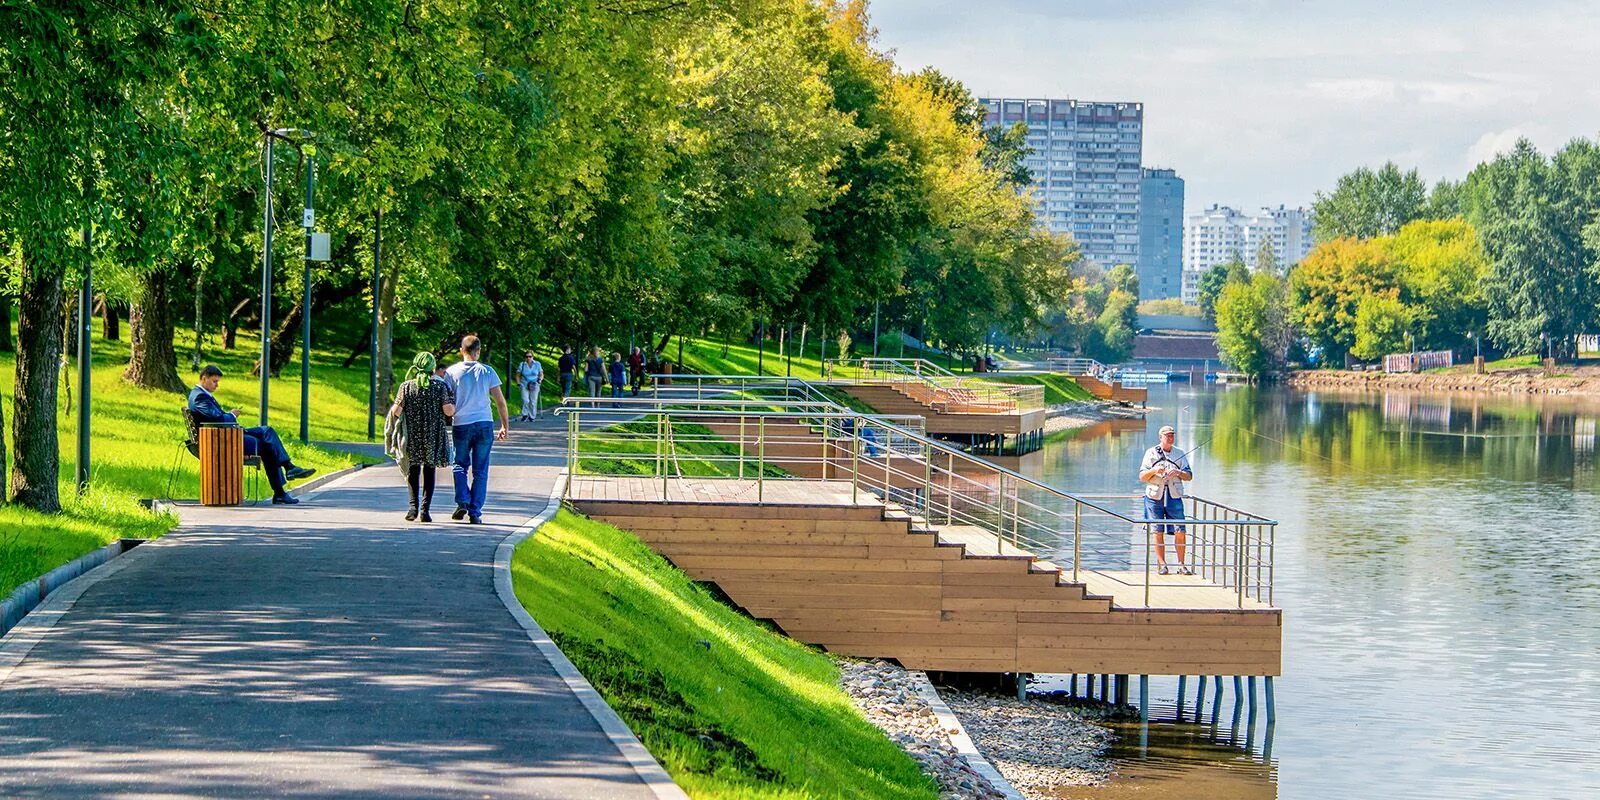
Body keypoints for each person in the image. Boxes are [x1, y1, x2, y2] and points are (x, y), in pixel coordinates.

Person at [187, 364, 315, 505]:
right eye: (214, 381)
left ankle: (287, 473)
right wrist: (232, 415)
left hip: (224, 436)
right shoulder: (199, 397)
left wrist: (230, 417)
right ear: (204, 378)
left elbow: (215, 417)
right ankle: (286, 477)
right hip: (221, 441)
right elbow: (218, 419)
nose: (217, 385)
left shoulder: (202, 396)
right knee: (267, 445)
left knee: (267, 432)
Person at [445, 335, 510, 524]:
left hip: (461, 424)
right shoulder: (487, 371)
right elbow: (500, 401)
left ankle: (463, 500)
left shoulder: (451, 372)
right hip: (484, 424)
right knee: (481, 470)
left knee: (459, 465)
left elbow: (446, 401)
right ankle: (475, 512)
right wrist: (505, 425)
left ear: (461, 350)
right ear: (478, 351)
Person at [389, 351, 456, 522]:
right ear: (432, 368)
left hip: (413, 434)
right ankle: (425, 511)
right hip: (433, 434)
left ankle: (413, 508)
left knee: (413, 470)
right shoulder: (440, 387)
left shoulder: (406, 386)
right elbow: (448, 411)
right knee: (429, 470)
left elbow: (396, 412)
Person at [1138, 425, 1194, 575]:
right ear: (1160, 437)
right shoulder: (1151, 453)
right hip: (1154, 496)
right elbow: (1142, 476)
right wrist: (1155, 471)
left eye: (1172, 435)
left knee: (1180, 530)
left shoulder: (1180, 453)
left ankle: (1181, 564)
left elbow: (1189, 476)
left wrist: (1177, 472)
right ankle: (1162, 564)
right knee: (1157, 530)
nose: (1170, 438)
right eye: (1167, 435)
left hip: (1174, 496)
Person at [516, 352, 544, 421]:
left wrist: (540, 379)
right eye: (526, 357)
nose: (528, 358)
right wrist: (518, 384)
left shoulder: (537, 364)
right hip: (524, 383)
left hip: (534, 384)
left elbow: (541, 374)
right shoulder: (522, 364)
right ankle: (525, 414)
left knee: (533, 401)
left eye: (530, 356)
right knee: (525, 400)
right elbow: (518, 375)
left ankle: (532, 416)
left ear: (533, 357)